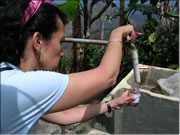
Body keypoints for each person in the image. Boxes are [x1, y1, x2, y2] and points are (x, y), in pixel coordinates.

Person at [0, 0, 136, 134]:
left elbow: (63, 115)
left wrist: (112, 104)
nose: (62, 51)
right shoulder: (25, 86)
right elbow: (108, 76)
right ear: (38, 41)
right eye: (60, 41)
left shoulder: (10, 79)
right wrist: (117, 34)